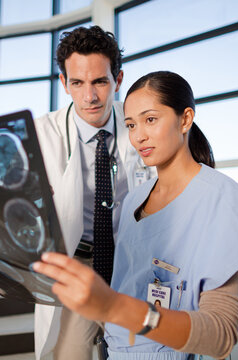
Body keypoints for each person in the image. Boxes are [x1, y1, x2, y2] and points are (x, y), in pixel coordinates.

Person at [33, 71, 238, 359]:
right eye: (131, 124)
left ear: (185, 120)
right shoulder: (134, 201)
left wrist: (115, 307)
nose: (139, 136)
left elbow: (221, 336)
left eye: (151, 119)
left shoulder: (221, 198)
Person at [32, 26, 153, 360]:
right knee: (70, 353)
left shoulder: (141, 126)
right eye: (77, 83)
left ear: (118, 79)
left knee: (145, 350)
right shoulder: (43, 134)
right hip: (79, 261)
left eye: (100, 81)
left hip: (134, 261)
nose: (90, 96)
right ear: (63, 83)